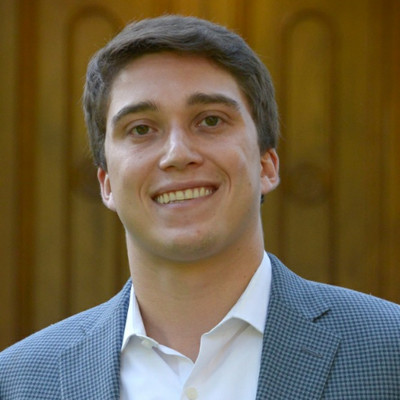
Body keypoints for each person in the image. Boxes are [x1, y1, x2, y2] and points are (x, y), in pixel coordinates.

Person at [1, 15, 399, 400]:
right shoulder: (17, 382)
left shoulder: (389, 350)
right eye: (141, 128)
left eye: (210, 121)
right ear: (106, 183)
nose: (177, 154)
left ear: (266, 165)